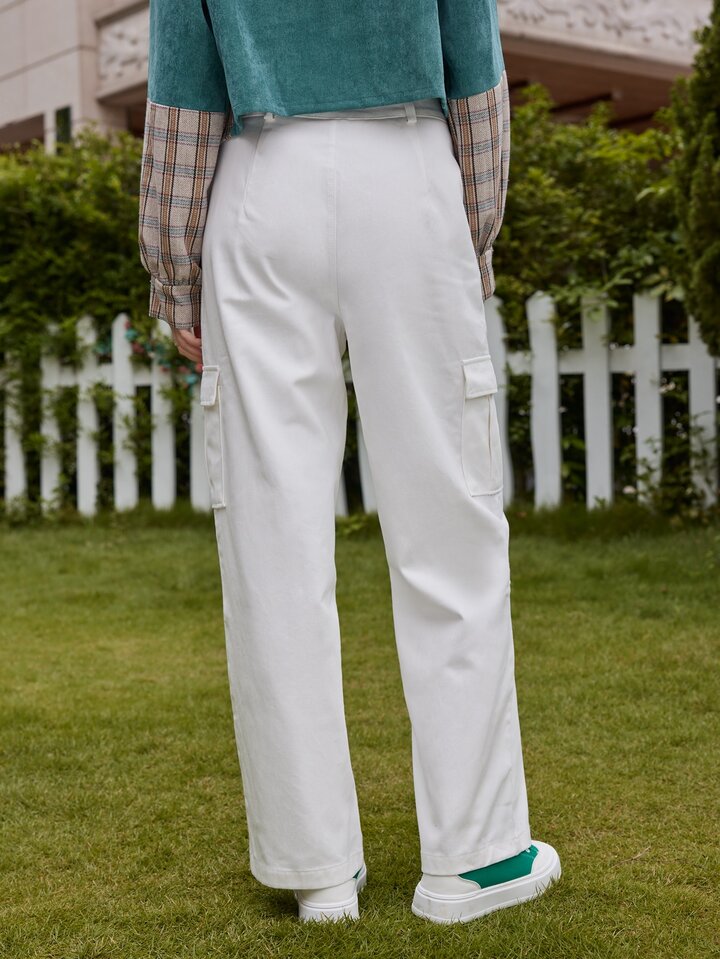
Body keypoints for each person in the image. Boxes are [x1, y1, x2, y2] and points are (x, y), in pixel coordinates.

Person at [138, 0, 561, 925]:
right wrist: (471, 235)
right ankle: (477, 858)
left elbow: (182, 86)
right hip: (407, 168)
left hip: (258, 177)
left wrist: (174, 274)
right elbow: (473, 63)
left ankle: (317, 870)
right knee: (449, 522)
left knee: (271, 537)